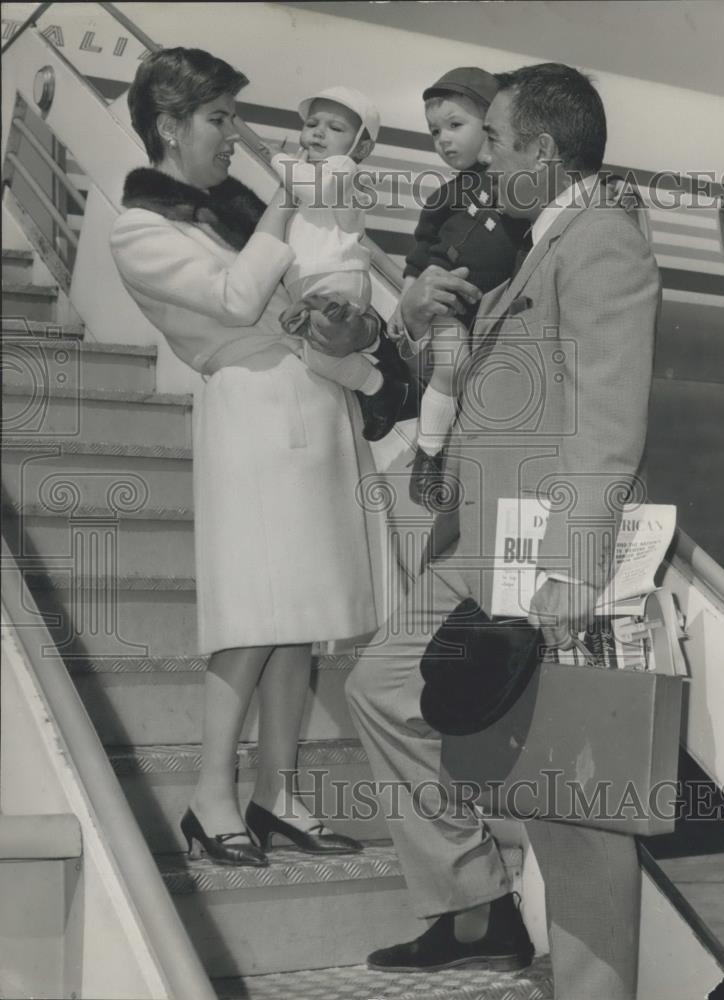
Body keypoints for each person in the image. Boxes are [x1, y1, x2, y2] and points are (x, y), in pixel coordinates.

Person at [346, 63, 660, 1000]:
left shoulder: (601, 239)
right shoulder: (541, 241)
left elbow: (607, 410)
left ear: (542, 150)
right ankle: (474, 900)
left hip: (544, 548)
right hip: (480, 545)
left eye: (497, 142)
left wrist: (576, 561)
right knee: (378, 688)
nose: (482, 160)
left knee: (576, 799)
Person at [110, 47, 389, 864]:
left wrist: (346, 318)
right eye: (219, 118)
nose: (236, 135)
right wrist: (279, 207)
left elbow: (310, 293)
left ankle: (278, 795)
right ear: (169, 126)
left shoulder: (230, 213)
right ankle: (209, 796)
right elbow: (237, 298)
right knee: (252, 615)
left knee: (298, 621)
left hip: (311, 405)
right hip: (252, 416)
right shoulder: (140, 228)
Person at [388, 67, 525, 506]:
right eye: (435, 132)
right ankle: (429, 455)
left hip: (492, 307)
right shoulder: (443, 195)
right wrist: (407, 297)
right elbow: (420, 251)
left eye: (455, 126)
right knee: (452, 367)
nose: (443, 139)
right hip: (450, 306)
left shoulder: (516, 186)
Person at [248, 86, 408, 442]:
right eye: (312, 123)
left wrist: (279, 159)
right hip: (312, 281)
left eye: (335, 128)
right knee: (316, 355)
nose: (318, 132)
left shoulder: (341, 168)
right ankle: (378, 383)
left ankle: (380, 381)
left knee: (323, 346)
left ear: (361, 148)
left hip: (336, 273)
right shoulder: (311, 174)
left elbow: (314, 190)